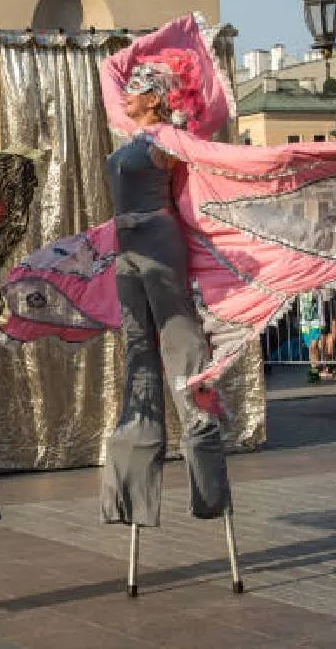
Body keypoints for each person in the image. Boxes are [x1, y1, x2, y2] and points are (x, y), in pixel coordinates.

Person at [99, 51, 231, 527]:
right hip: (126, 247)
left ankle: (207, 479)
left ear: (154, 99)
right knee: (138, 355)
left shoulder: (167, 139)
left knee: (181, 347)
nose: (126, 95)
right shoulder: (131, 136)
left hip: (157, 240)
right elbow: (109, 70)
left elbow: (210, 160)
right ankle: (132, 490)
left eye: (136, 89)